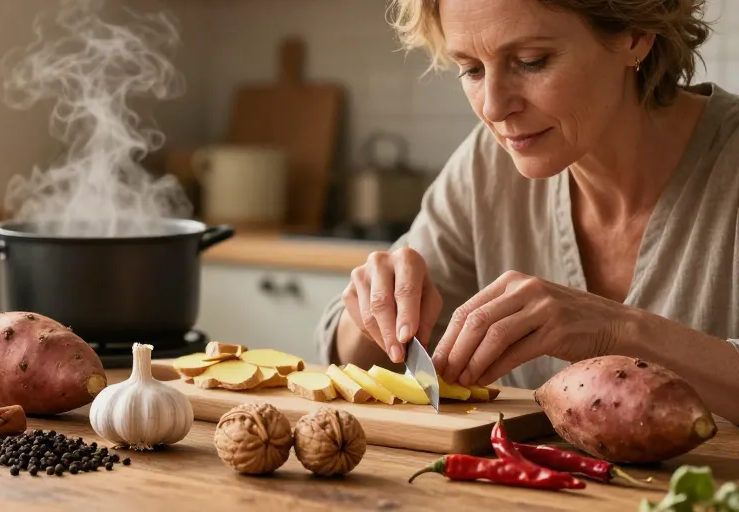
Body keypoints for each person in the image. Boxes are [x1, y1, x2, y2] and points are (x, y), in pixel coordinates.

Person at [314, 0, 739, 425]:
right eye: (472, 70)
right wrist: (372, 311)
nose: (494, 109)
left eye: (531, 62)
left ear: (635, 35)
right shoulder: (487, 167)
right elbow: (347, 358)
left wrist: (615, 331)